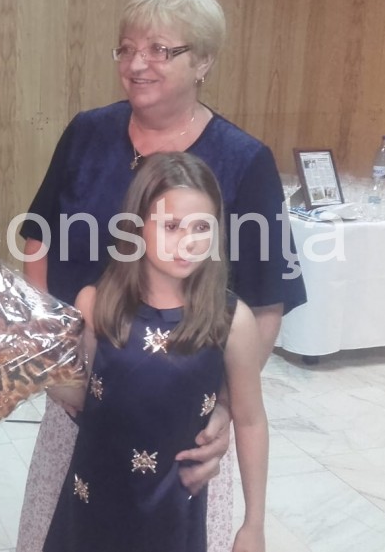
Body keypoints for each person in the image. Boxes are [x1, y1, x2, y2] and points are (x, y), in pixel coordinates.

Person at [17, 0, 305, 551]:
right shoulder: (87, 131)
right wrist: (54, 361)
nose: (136, 64)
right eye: (126, 48)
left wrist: (225, 405)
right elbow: (37, 238)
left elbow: (266, 301)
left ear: (204, 62)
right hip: (80, 386)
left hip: (181, 414)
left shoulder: (243, 160)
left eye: (159, 50)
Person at [43, 152, 268, 552]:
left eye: (202, 227)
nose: (188, 242)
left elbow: (250, 421)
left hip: (171, 515)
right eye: (171, 226)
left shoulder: (231, 320)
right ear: (136, 227)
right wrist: (25, 368)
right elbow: (83, 396)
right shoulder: (95, 304)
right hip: (92, 502)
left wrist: (254, 524)